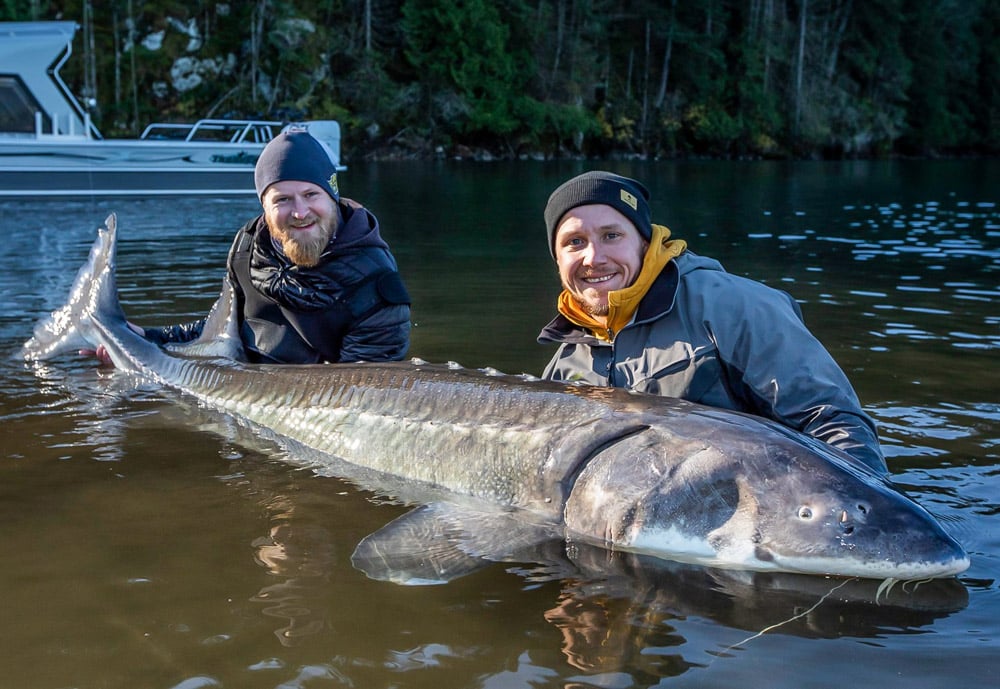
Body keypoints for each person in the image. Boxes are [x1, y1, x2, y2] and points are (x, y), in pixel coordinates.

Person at [537, 170, 887, 473]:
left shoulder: (737, 308)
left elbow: (835, 424)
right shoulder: (564, 366)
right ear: (557, 259)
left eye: (611, 236)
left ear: (644, 242)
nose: (593, 257)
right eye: (574, 243)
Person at [90, 129, 410, 364]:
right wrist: (145, 338)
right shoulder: (247, 249)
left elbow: (361, 394)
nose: (299, 212)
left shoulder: (377, 286)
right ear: (264, 208)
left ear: (332, 196)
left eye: (311, 195)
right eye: (282, 200)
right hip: (243, 391)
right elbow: (221, 330)